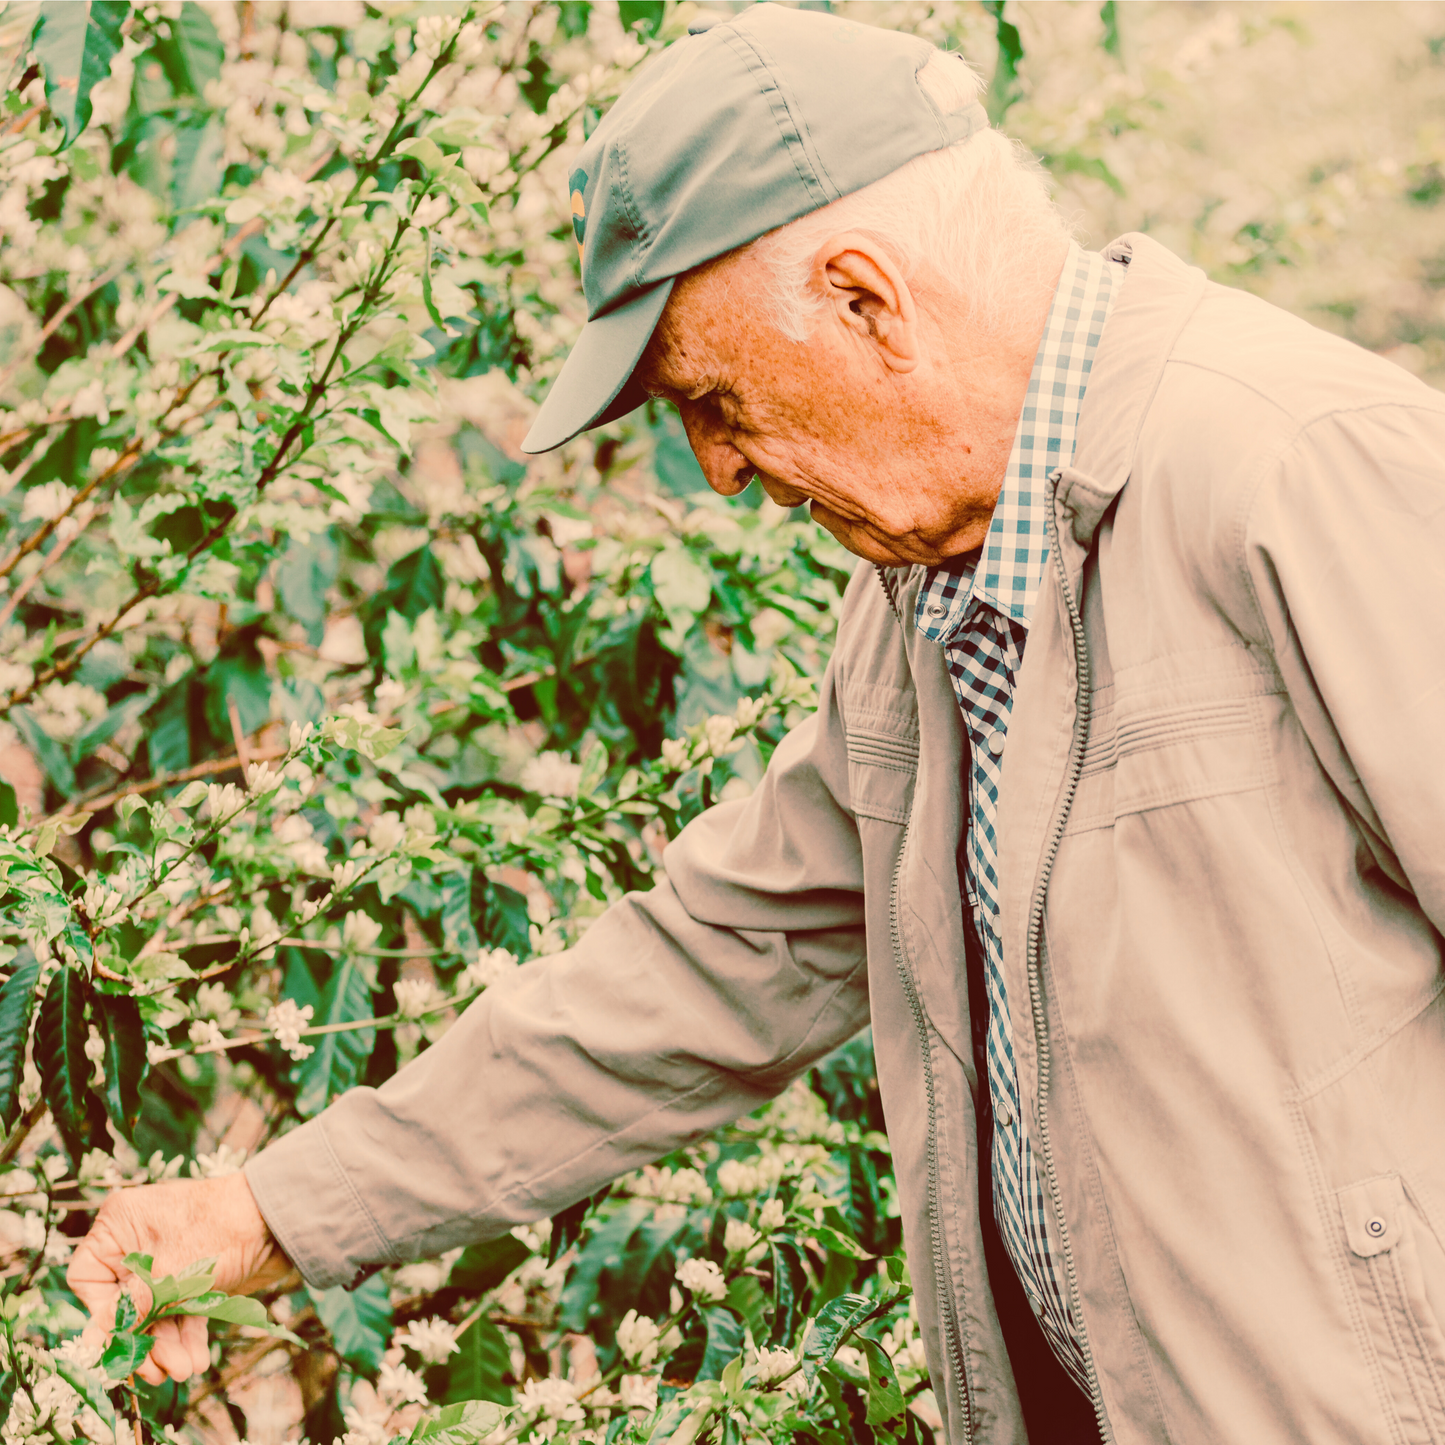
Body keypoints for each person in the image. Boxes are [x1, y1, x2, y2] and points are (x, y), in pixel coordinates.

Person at [70, 7, 1445, 1443]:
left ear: (865, 300)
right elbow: (710, 963)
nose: (718, 471)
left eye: (712, 399)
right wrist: (264, 1213)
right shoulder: (926, 594)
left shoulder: (1298, 471)